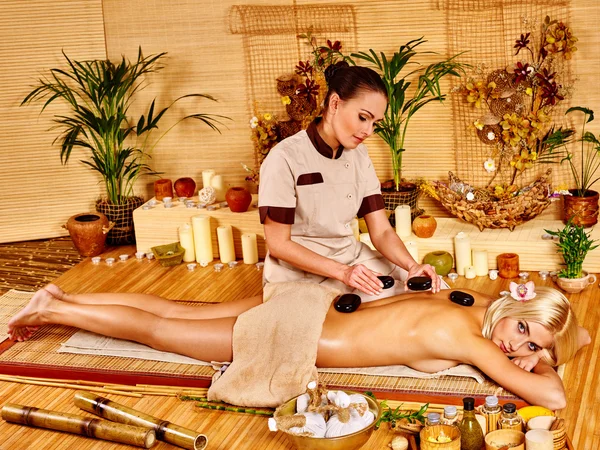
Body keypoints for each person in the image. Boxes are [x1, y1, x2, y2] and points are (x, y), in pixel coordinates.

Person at [8, 284, 589, 409]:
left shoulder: (473, 302)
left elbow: (577, 334)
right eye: (522, 334)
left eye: (530, 345)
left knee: (183, 309)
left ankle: (65, 299)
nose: (518, 352)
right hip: (294, 332)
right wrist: (539, 361)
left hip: (314, 304)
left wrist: (547, 338)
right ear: (512, 315)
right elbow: (555, 399)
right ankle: (55, 310)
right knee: (165, 333)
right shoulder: (472, 340)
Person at [258, 61, 440, 298]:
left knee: (431, 291)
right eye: (363, 117)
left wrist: (412, 266)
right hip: (298, 272)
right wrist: (344, 273)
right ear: (334, 103)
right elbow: (279, 245)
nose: (369, 131)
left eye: (375, 123)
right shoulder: (284, 157)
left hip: (351, 259)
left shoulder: (360, 156)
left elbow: (382, 231)